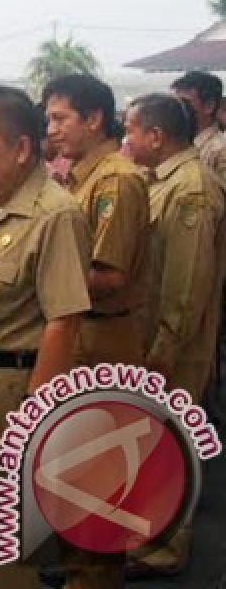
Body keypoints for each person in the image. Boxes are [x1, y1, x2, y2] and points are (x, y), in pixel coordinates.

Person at [0, 87, 92, 589]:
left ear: (22, 148)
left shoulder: (56, 214)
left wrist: (33, 419)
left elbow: (64, 322)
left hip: (13, 389)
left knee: (8, 550)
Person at [43, 74, 152, 589]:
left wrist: (38, 272)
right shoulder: (84, 178)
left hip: (102, 342)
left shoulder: (115, 181)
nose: (52, 129)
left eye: (60, 118)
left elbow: (110, 276)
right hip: (81, 340)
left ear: (92, 119)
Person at [122, 94, 225, 580]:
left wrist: (165, 346)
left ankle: (164, 548)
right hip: (156, 337)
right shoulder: (165, 181)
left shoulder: (190, 190)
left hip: (176, 344)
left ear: (156, 136)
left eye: (131, 132)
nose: (128, 142)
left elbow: (187, 281)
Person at [171, 70, 226, 185]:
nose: (176, 110)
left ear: (209, 106)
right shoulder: (185, 143)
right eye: (175, 103)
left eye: (184, 102)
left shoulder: (219, 151)